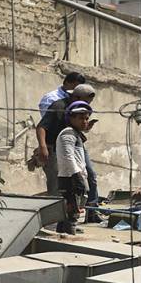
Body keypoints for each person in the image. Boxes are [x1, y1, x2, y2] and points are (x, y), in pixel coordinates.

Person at [36, 84, 100, 221]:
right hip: (54, 148)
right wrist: (43, 147)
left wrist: (86, 126)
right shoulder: (59, 106)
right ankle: (55, 219)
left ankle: (92, 212)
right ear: (75, 97)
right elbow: (41, 126)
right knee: (58, 186)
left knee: (90, 176)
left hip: (76, 145)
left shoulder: (79, 110)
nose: (86, 104)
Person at [55, 101, 93, 235]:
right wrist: (76, 175)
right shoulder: (68, 133)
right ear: (71, 118)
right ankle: (69, 233)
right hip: (70, 176)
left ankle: (65, 228)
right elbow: (68, 156)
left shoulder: (75, 133)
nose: (85, 121)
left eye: (86, 118)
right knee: (72, 208)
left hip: (76, 175)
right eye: (81, 118)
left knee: (75, 205)